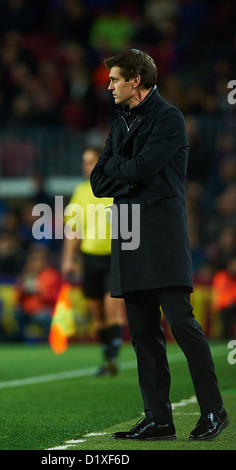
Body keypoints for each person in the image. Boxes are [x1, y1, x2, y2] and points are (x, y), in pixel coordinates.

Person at [90, 49, 228, 441]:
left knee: (182, 323)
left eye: (115, 79)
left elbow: (140, 168)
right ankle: (158, 419)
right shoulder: (121, 123)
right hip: (130, 232)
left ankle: (214, 411)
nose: (110, 86)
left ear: (137, 80)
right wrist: (128, 173)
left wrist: (125, 171)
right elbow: (98, 181)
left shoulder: (169, 118)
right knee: (143, 333)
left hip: (162, 235)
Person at [61, 146, 125, 376]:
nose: (85, 166)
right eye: (84, 162)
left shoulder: (116, 185)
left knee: (112, 307)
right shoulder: (81, 190)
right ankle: (108, 358)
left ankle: (113, 358)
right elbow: (73, 228)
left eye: (89, 161)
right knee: (96, 310)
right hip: (90, 257)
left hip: (114, 256)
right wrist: (68, 259)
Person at [14, 244, 63, 341]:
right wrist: (22, 288)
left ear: (45, 261)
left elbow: (56, 298)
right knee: (17, 313)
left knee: (43, 317)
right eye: (32, 260)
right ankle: (22, 340)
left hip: (47, 312)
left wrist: (40, 291)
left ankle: (48, 341)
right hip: (29, 312)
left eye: (38, 260)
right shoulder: (27, 275)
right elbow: (17, 299)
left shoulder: (51, 275)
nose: (35, 263)